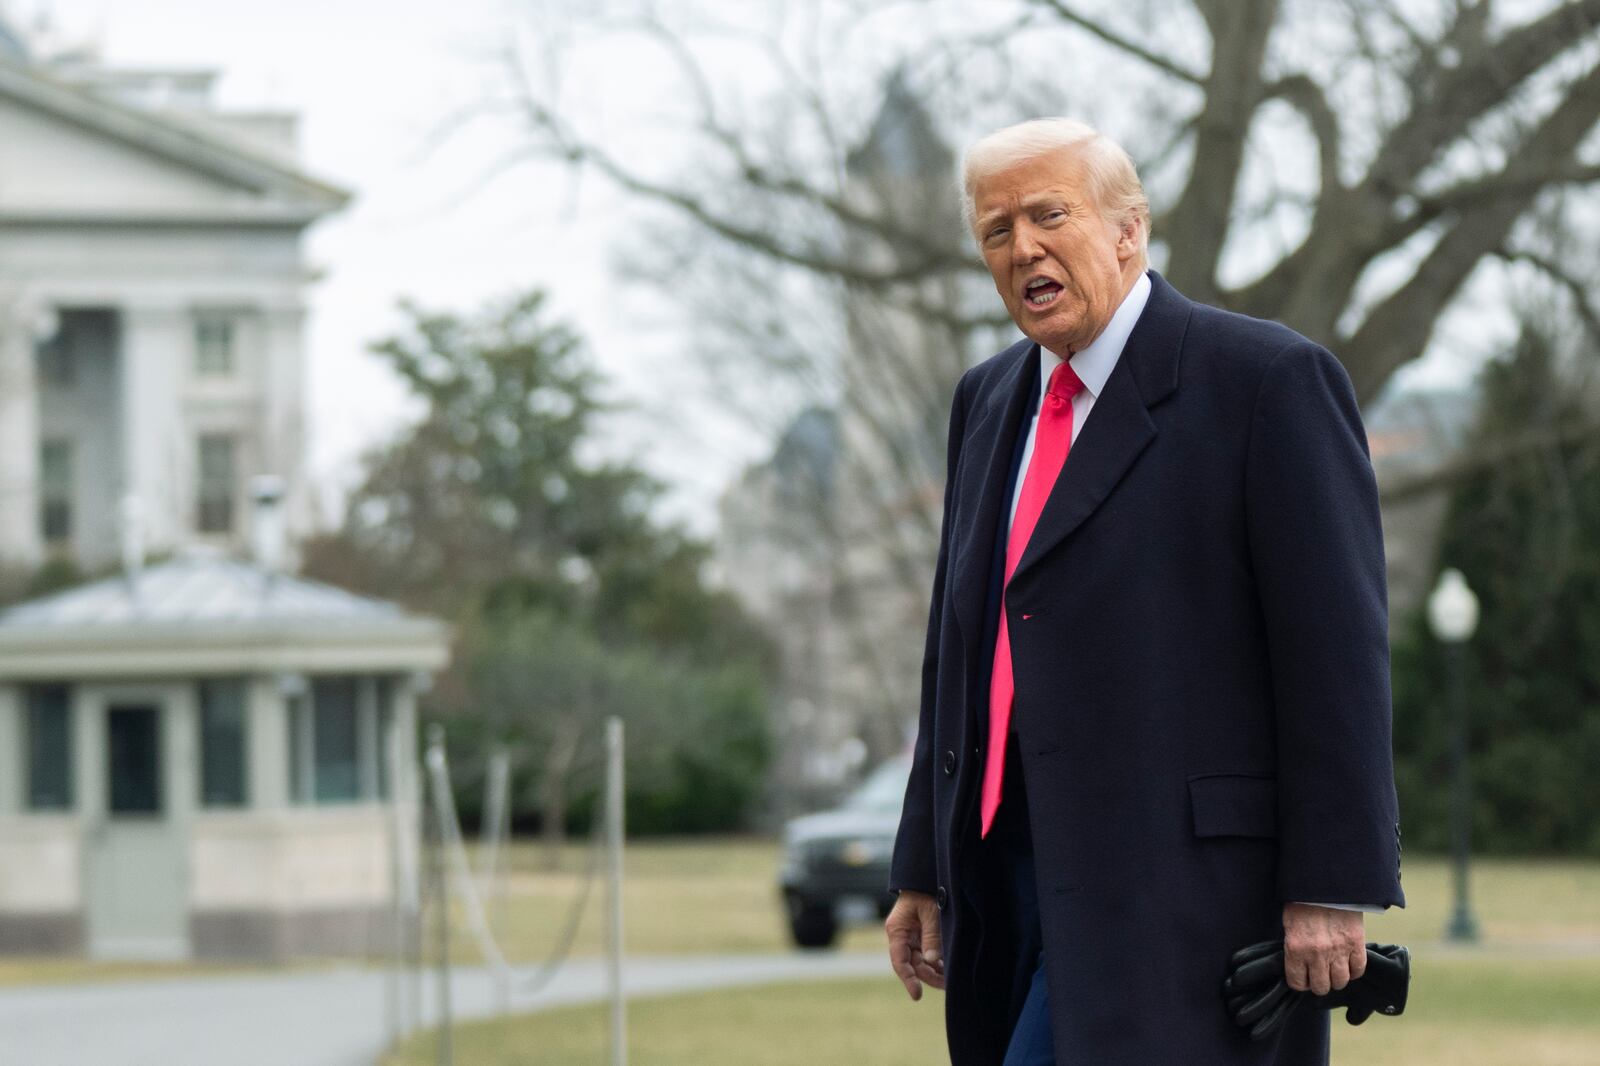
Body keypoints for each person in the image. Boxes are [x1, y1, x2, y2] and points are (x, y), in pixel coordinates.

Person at [883, 118, 1405, 1066]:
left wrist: (1332, 883)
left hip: (1186, 893)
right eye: (997, 231)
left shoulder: (1267, 382)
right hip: (1003, 878)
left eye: (1049, 216)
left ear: (1129, 229)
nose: (1022, 248)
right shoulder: (985, 400)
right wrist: (923, 863)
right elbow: (956, 649)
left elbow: (1337, 659)